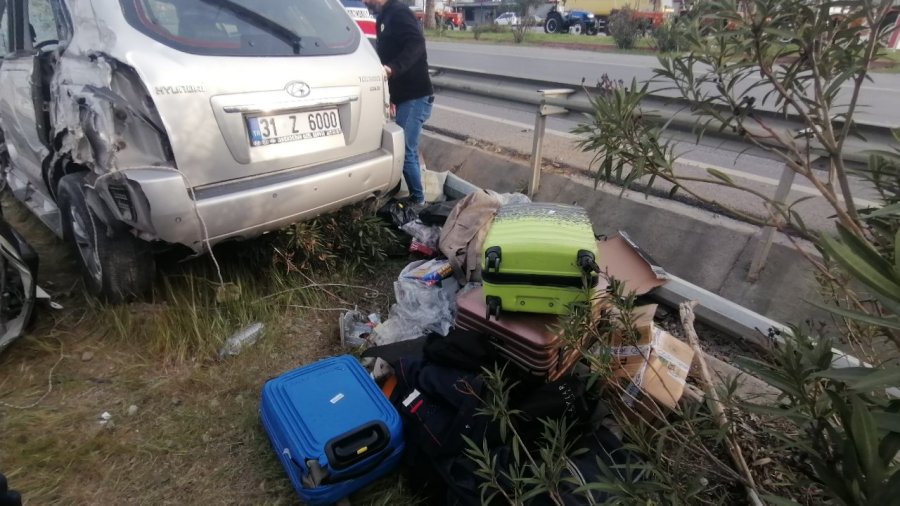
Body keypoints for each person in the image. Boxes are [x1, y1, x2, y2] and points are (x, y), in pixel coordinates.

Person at [364, 0, 434, 206]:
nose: (364, 2)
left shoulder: (399, 12)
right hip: (403, 98)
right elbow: (387, 53)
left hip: (416, 96)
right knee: (404, 150)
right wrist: (392, 96)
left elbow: (416, 44)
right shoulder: (383, 16)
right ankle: (409, 193)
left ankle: (418, 202)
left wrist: (393, 68)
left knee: (404, 151)